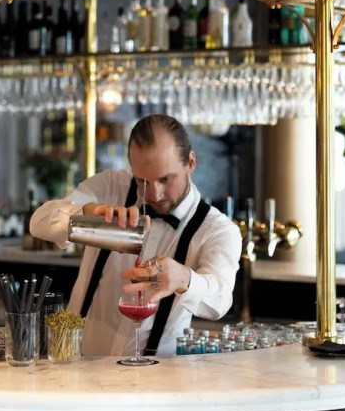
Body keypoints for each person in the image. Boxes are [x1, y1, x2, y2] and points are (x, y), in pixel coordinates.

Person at [30, 114, 242, 357]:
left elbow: (220, 301)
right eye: (142, 180)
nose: (154, 195)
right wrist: (87, 212)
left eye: (166, 179)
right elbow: (39, 223)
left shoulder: (217, 229)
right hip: (79, 361)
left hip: (159, 373)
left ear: (190, 163)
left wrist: (184, 278)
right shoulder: (110, 187)